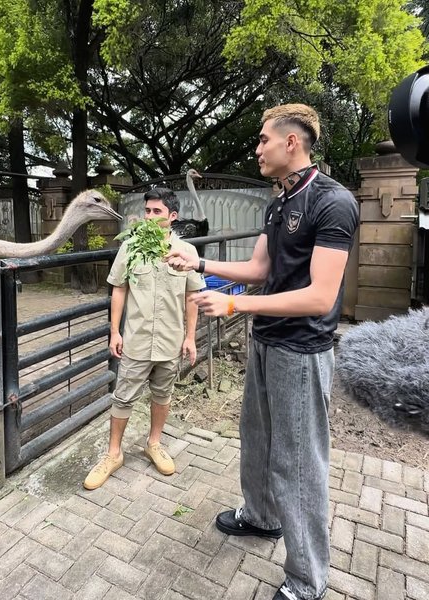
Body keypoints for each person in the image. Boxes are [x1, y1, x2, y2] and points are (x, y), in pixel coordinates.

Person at [166, 104, 359, 600]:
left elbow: (319, 296)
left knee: (297, 463)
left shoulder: (332, 202)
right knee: (256, 440)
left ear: (291, 143)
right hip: (267, 341)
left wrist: (234, 306)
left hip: (303, 350)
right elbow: (258, 269)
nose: (256, 149)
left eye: (263, 141)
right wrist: (200, 259)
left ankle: (307, 579)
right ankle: (261, 517)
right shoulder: (279, 203)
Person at [84, 187, 205, 490]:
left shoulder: (186, 252)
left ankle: (154, 443)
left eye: (157, 212)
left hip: (170, 339)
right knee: (123, 396)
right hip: (136, 338)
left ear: (172, 216)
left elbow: (192, 297)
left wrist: (190, 338)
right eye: (147, 211)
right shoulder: (131, 247)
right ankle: (113, 454)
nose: (150, 217)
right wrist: (114, 330)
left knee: (162, 394)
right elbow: (119, 289)